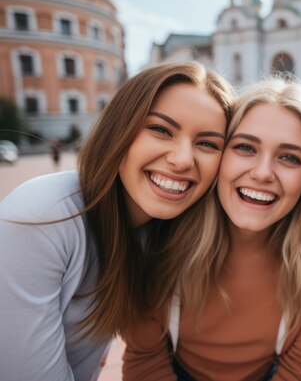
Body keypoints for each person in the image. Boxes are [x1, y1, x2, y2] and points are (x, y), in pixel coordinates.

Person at [0, 62, 234, 380]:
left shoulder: (161, 234)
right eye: (161, 129)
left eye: (207, 143)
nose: (182, 160)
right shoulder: (45, 217)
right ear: (120, 129)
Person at [123, 77, 301, 381]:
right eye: (246, 148)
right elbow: (145, 361)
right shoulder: (158, 244)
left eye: (290, 157)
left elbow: (298, 368)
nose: (262, 173)